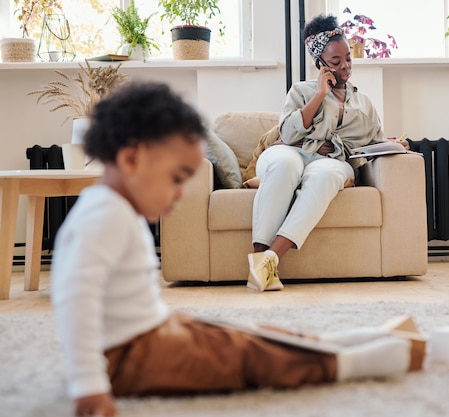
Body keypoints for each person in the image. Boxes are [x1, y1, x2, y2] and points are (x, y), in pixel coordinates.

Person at [50, 82, 424, 417]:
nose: (181, 193)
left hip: (146, 335)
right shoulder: (102, 216)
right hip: (128, 359)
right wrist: (89, 388)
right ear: (132, 159)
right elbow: (75, 301)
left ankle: (324, 343)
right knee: (243, 358)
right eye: (176, 179)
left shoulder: (115, 209)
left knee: (237, 334)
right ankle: (352, 363)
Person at [246, 14, 386, 292]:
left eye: (348, 58)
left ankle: (269, 261)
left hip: (331, 161)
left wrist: (394, 146)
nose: (345, 66)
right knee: (285, 164)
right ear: (320, 63)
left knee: (326, 175)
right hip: (290, 152)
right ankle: (260, 259)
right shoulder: (301, 91)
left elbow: (373, 144)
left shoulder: (365, 103)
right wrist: (320, 94)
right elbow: (287, 134)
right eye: (335, 62)